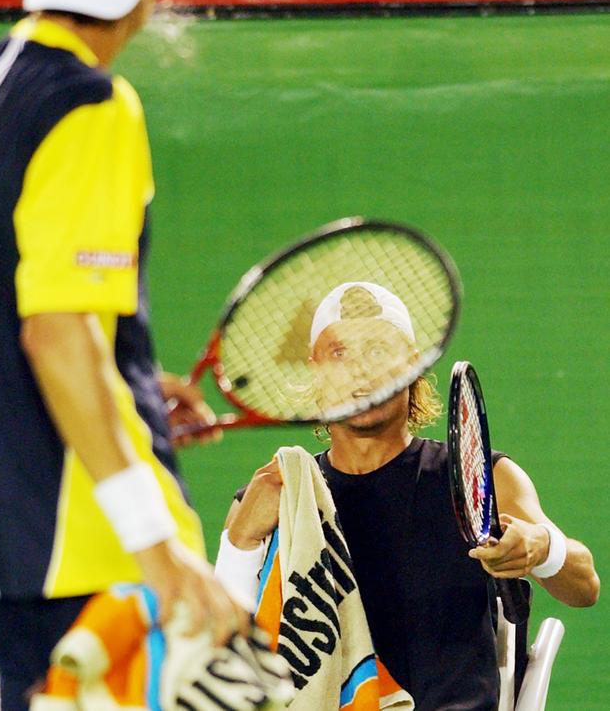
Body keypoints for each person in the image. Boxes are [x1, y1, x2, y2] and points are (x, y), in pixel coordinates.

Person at [0, 0, 247, 710]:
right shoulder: (90, 105)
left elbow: (0, 316)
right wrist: (155, 542)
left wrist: (134, 392)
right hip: (98, 556)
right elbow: (56, 336)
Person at [216, 281, 600, 710]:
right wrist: (238, 544)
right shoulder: (280, 499)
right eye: (341, 353)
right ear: (315, 369)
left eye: (379, 351)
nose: (361, 370)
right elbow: (215, 656)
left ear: (413, 366)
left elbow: (584, 586)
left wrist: (539, 548)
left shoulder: (480, 477)